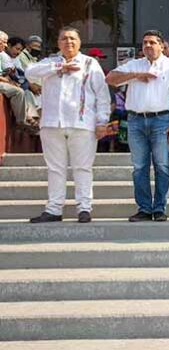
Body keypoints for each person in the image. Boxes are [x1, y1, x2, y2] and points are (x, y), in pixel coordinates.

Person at [25, 27, 111, 223]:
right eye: (64, 38)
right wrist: (59, 68)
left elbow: (102, 95)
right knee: (55, 168)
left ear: (79, 42)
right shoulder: (50, 63)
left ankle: (84, 208)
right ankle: (54, 209)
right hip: (51, 124)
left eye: (72, 38)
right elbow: (30, 72)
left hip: (82, 124)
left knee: (82, 168)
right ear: (58, 43)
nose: (68, 42)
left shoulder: (90, 63)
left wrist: (102, 121)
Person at [106, 30, 169, 222]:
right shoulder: (134, 65)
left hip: (162, 120)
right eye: (145, 43)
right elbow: (110, 78)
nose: (148, 46)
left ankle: (159, 208)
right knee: (139, 167)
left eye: (152, 42)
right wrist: (136, 75)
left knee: (162, 165)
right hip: (135, 121)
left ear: (161, 45)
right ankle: (144, 208)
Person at [0, 31, 38, 129]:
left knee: (27, 91)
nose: (4, 45)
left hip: (7, 80)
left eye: (5, 42)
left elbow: (16, 73)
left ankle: (32, 120)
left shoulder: (7, 56)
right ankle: (22, 121)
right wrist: (8, 81)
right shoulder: (3, 56)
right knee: (19, 91)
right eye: (2, 42)